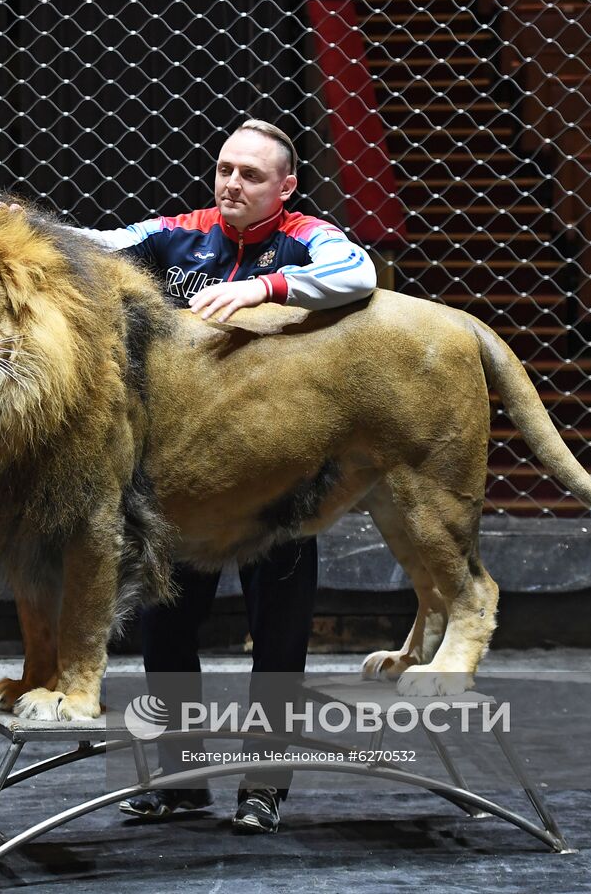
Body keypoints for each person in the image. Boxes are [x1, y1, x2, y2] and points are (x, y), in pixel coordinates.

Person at [78, 119, 378, 833]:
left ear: (286, 184)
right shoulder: (184, 232)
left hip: (280, 478)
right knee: (165, 631)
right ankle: (179, 782)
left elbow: (359, 273)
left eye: (249, 174)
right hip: (190, 482)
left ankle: (263, 787)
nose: (231, 184)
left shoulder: (308, 237)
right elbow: (101, 242)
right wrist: (31, 225)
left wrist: (267, 288)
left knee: (279, 640)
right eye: (223, 170)